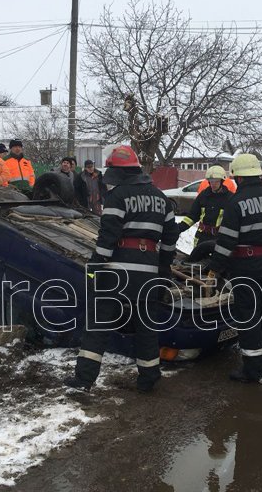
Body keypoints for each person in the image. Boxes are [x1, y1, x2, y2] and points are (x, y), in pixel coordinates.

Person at [65, 145, 180, 393]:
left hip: (117, 271)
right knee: (146, 327)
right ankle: (149, 377)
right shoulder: (162, 199)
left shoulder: (118, 196)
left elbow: (108, 237)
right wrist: (163, 271)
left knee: (98, 324)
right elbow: (171, 239)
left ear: (119, 172)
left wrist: (95, 267)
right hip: (148, 272)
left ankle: (84, 379)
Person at [208, 153, 262, 383]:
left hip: (246, 267)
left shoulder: (235, 203)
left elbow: (226, 243)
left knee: (249, 317)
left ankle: (253, 370)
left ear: (239, 177)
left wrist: (214, 270)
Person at [178, 165, 233, 247]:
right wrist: (178, 228)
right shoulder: (203, 195)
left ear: (222, 181)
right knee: (196, 259)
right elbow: (192, 216)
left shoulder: (230, 198)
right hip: (202, 236)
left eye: (216, 181)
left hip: (219, 238)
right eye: (211, 181)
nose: (213, 184)